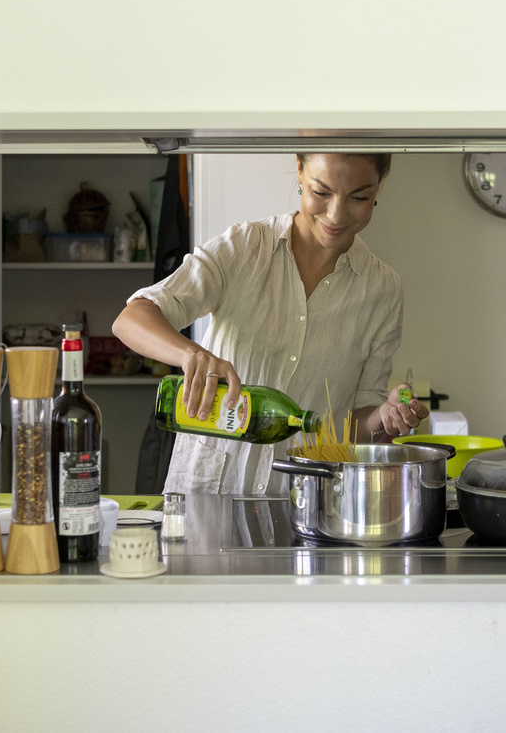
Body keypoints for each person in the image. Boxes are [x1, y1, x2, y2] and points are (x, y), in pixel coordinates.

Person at [112, 152, 429, 495]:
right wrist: (190, 354)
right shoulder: (245, 247)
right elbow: (131, 319)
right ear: (299, 171)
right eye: (321, 192)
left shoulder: (382, 289)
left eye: (360, 197)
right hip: (206, 497)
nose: (336, 214)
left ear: (378, 188)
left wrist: (384, 415)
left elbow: (352, 427)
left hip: (303, 504)